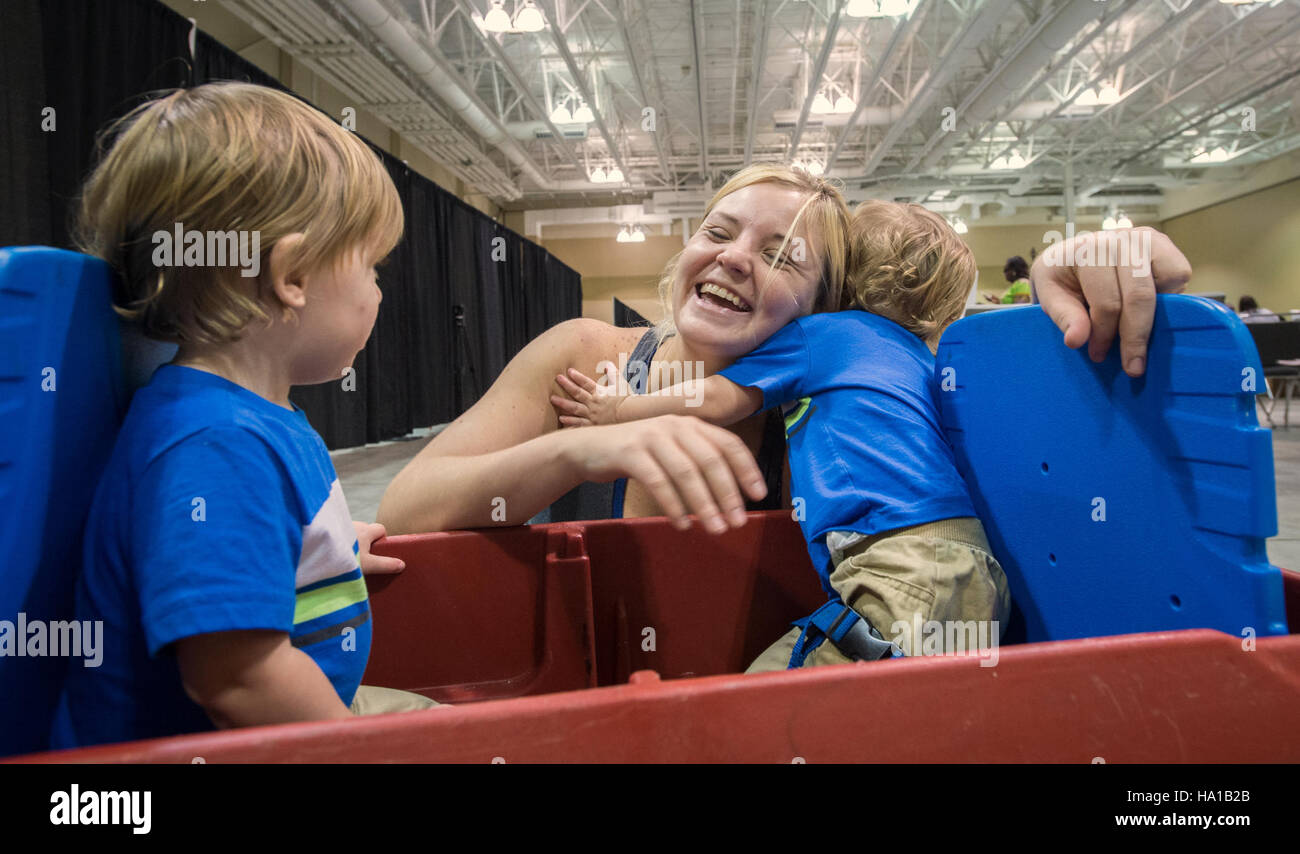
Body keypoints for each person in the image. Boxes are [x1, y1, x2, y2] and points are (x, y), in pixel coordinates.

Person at [377, 163, 1194, 535]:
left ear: (822, 311)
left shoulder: (844, 413)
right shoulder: (587, 354)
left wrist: (1096, 269)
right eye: (719, 232)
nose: (734, 257)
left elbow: (1071, 453)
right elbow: (406, 509)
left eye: (780, 255)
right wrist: (587, 447)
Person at [53, 82, 432, 749]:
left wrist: (323, 559)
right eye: (372, 267)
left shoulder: (247, 414)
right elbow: (239, 680)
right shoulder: (215, 444)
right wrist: (355, 747)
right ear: (291, 276)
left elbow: (239, 560)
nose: (377, 293)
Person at [551, 201, 1009, 669]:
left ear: (841, 280)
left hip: (898, 567)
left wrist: (623, 408)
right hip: (975, 568)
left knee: (763, 705)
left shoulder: (823, 333)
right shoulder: (918, 358)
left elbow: (718, 398)